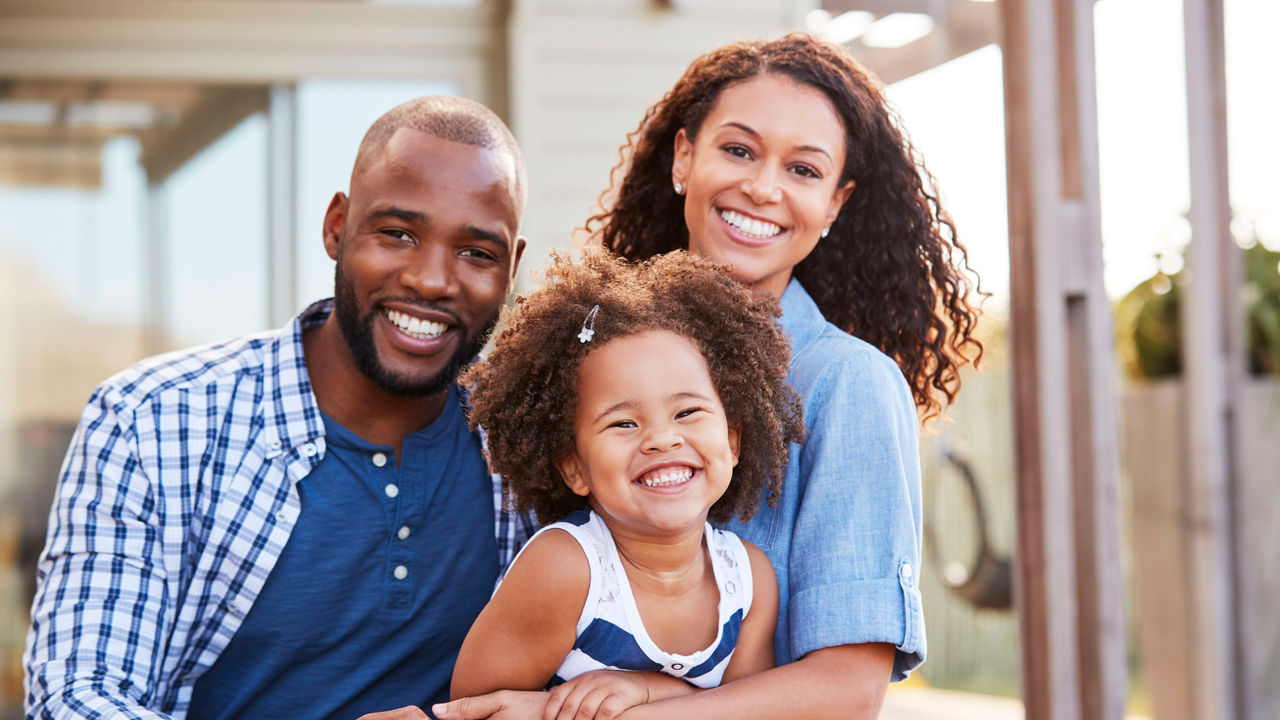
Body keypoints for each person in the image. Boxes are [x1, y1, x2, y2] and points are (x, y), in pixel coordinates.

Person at [436, 32, 983, 720]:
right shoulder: (589, 345)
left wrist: (631, 709)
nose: (763, 186)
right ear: (684, 157)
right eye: (739, 150)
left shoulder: (848, 385)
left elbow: (847, 691)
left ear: (836, 205)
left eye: (804, 170)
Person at [23, 96, 535, 720]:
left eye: (476, 253)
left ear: (512, 270)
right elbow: (76, 701)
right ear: (336, 227)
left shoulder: (533, 444)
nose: (431, 280)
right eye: (398, 233)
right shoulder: (150, 424)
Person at [451, 249, 804, 719]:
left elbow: (744, 710)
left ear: (733, 441)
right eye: (623, 424)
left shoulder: (747, 581)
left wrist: (652, 691)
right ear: (574, 467)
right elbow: (474, 711)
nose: (661, 438)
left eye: (687, 412)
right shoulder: (567, 570)